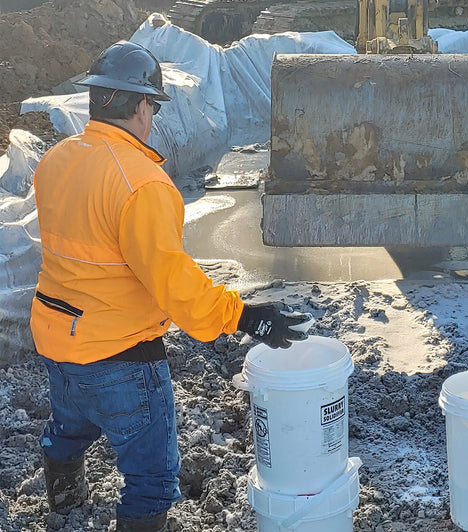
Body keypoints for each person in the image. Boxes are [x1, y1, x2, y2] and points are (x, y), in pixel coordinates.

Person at [30, 41, 308, 531]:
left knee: (70, 427)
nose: (152, 117)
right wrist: (241, 314)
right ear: (139, 105)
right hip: (119, 356)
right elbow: (172, 282)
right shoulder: (143, 183)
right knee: (153, 478)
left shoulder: (56, 159)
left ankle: (66, 502)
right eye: (152, 107)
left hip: (56, 336)